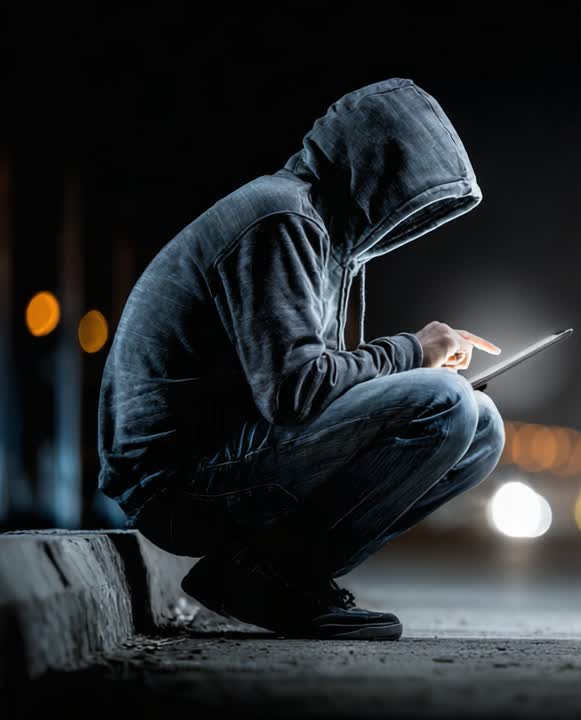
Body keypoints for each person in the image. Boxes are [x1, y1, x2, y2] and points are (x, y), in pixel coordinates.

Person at [97, 79, 504, 641]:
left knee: (481, 428)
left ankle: (277, 571)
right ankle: (265, 576)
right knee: (447, 403)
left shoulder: (322, 237)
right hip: (174, 485)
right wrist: (412, 352)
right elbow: (296, 392)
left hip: (226, 454)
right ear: (372, 163)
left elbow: (308, 390)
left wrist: (411, 371)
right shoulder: (279, 218)